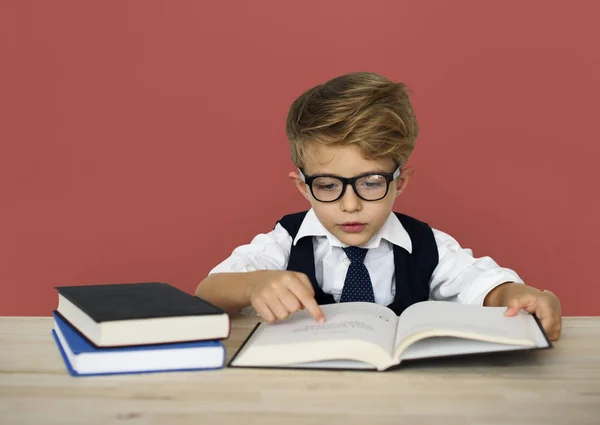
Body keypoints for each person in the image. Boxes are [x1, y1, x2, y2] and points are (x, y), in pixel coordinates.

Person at [195, 72, 562, 340]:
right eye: (327, 185)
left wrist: (519, 296)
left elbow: (482, 285)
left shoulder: (426, 245)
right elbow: (207, 292)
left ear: (399, 182)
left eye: (371, 183)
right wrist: (255, 285)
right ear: (303, 187)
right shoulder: (284, 241)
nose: (350, 205)